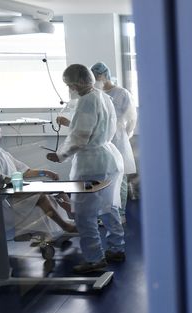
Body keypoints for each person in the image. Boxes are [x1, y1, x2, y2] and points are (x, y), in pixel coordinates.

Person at [47, 64, 125, 274]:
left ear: (77, 82)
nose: (69, 88)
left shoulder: (86, 101)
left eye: (69, 84)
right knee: (108, 207)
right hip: (109, 159)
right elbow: (94, 126)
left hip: (91, 164)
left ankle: (94, 259)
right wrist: (71, 123)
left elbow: (81, 137)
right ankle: (117, 248)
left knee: (84, 214)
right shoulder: (101, 96)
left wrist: (61, 155)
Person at [0, 118, 77, 235]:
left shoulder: (1, 152)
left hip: (15, 190)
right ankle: (66, 226)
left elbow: (24, 172)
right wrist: (6, 180)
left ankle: (75, 219)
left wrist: (45, 173)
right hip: (4, 198)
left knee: (57, 189)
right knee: (41, 196)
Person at [91, 62, 138, 220]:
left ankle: (121, 213)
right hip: (101, 139)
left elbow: (131, 118)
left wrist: (126, 133)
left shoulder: (121, 93)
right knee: (102, 176)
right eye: (94, 77)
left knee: (120, 177)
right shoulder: (95, 93)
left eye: (98, 76)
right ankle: (103, 213)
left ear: (105, 75)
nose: (96, 79)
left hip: (118, 137)